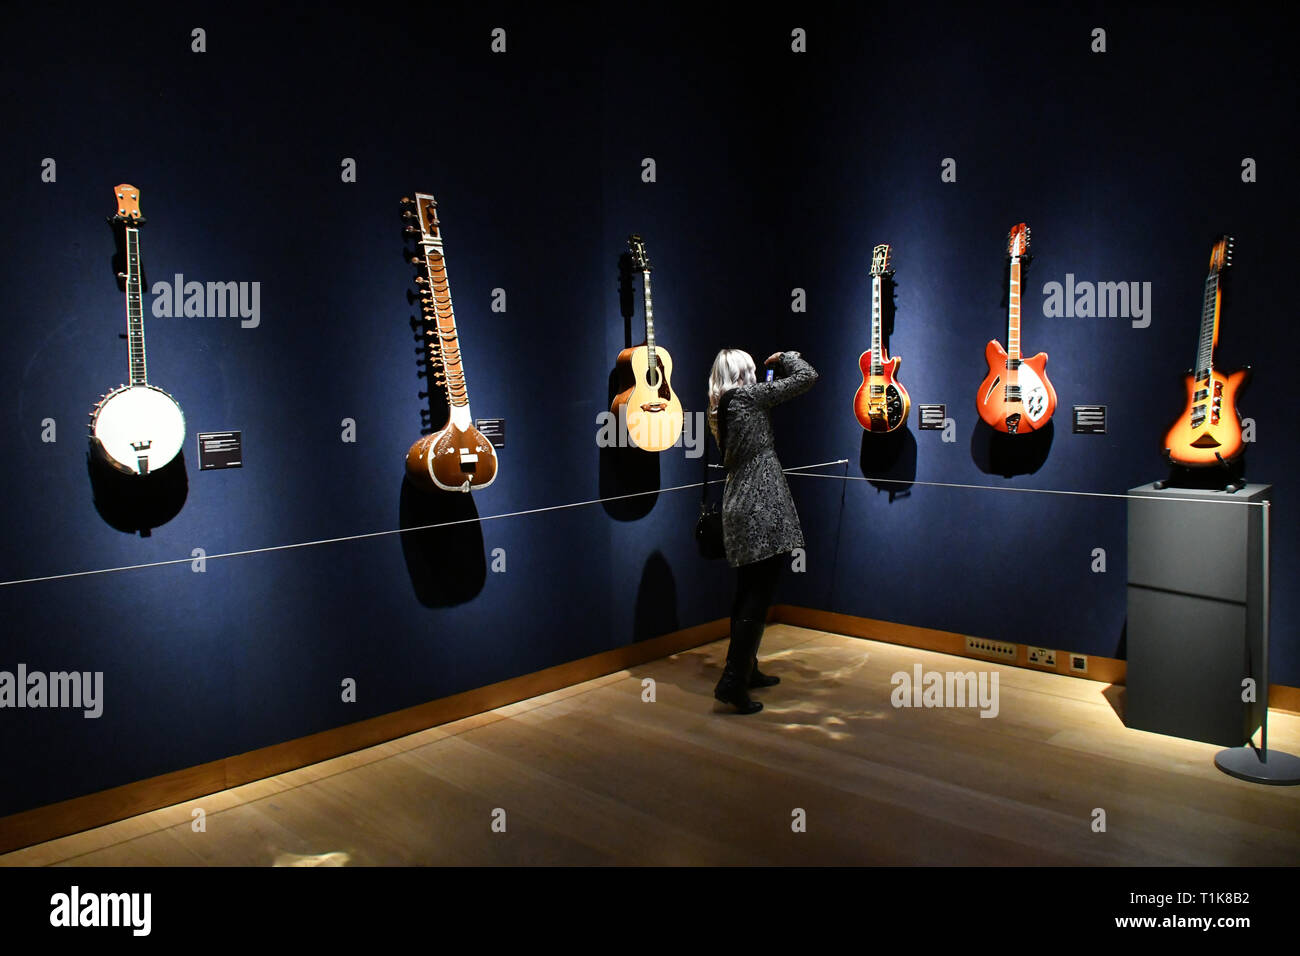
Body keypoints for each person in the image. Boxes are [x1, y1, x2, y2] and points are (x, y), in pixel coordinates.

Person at [706, 349, 819, 714]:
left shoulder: (719, 406)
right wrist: (787, 356)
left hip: (737, 500)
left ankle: (745, 669)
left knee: (746, 593)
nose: (756, 374)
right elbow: (807, 377)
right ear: (743, 372)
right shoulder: (747, 398)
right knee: (758, 595)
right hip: (761, 503)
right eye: (752, 369)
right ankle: (733, 680)